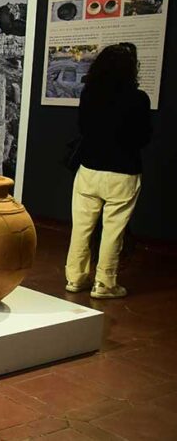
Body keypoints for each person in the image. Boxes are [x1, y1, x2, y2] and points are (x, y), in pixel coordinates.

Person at [64, 42, 152, 299]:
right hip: (123, 172)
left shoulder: (89, 94)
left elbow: (83, 128)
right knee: (113, 231)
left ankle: (75, 277)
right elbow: (143, 137)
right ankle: (104, 283)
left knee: (81, 227)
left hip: (89, 169)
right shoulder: (139, 99)